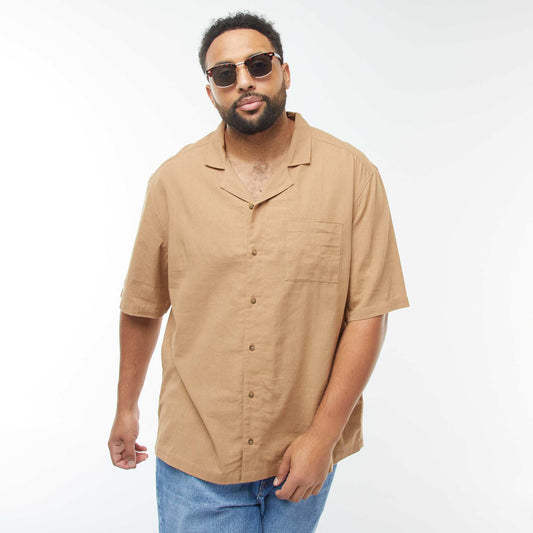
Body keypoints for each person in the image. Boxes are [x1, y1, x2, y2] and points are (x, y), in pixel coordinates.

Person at [108, 11, 410, 533]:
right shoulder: (172, 182)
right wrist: (125, 407)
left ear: (284, 72)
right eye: (225, 74)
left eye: (259, 64)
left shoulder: (352, 176)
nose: (244, 81)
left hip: (302, 457)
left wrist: (323, 438)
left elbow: (369, 313)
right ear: (211, 93)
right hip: (197, 458)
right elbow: (142, 304)